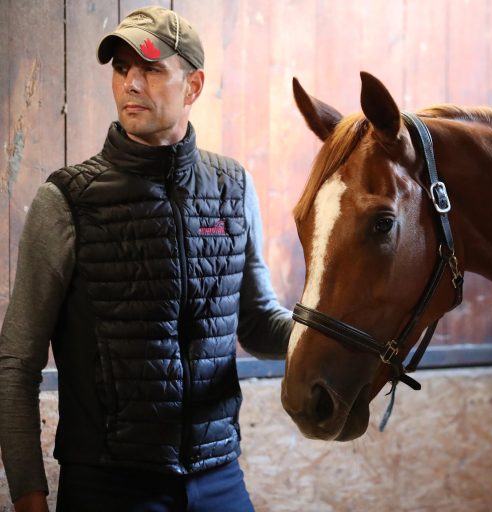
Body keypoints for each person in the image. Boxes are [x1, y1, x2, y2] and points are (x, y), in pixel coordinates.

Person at [0, 6, 292, 511]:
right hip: (108, 485)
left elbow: (260, 324)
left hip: (219, 477)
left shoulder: (233, 188)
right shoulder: (68, 200)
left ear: (194, 86)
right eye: (120, 68)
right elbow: (16, 362)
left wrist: (330, 332)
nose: (131, 83)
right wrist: (28, 493)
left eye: (151, 69)